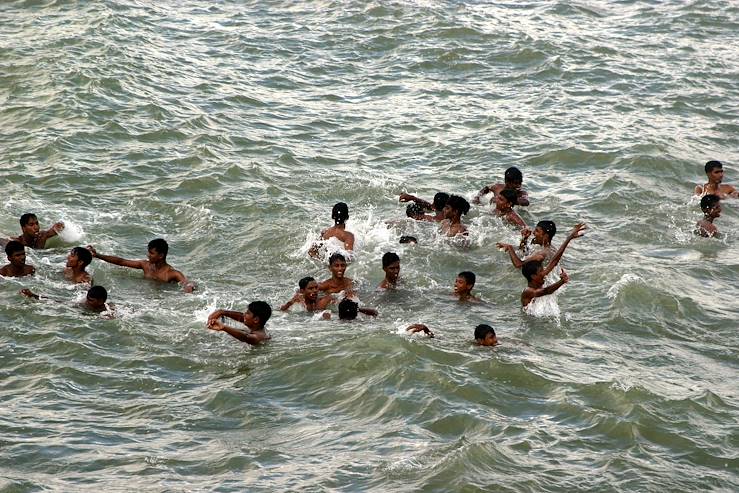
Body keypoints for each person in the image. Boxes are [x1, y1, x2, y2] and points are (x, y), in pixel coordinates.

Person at [86, 239, 195, 292]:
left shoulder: (171, 273)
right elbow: (122, 261)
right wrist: (98, 255)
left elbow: (187, 282)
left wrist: (189, 287)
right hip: (144, 297)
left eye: (151, 253)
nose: (148, 255)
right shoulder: (145, 265)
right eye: (148, 252)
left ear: (161, 255)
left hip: (162, 300)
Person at [206, 301, 272, 345]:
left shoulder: (258, 337)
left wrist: (224, 327)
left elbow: (246, 337)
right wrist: (222, 312)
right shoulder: (257, 326)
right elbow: (241, 317)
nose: (244, 314)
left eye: (247, 313)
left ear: (256, 320)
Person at [21, 285, 112, 314]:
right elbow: (58, 302)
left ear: (101, 301)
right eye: (88, 299)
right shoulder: (83, 303)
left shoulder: (107, 309)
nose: (88, 301)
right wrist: (34, 296)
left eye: (91, 300)